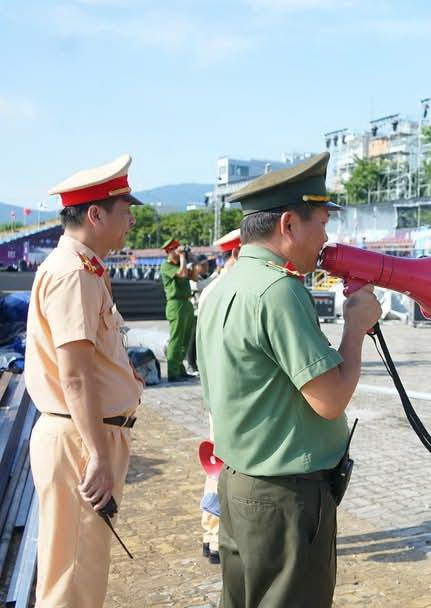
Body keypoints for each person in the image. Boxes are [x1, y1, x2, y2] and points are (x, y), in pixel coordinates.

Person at [197, 152, 383, 606]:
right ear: (289, 224)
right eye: (321, 222)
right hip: (284, 497)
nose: (325, 237)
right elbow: (330, 398)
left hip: (239, 483)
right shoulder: (279, 290)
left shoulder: (225, 284)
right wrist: (355, 329)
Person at [26, 154, 144, 606]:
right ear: (95, 214)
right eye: (125, 213)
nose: (130, 222)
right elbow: (73, 377)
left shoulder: (82, 268)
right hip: (81, 439)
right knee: (73, 578)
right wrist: (96, 453)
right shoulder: (75, 273)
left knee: (80, 568)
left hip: (83, 433)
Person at [196, 228, 240, 565]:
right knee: (221, 467)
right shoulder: (224, 291)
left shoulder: (215, 289)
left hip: (220, 391)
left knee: (220, 464)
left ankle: (213, 534)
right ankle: (214, 535)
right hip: (228, 394)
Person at [160, 237, 197, 381]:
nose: (179, 252)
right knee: (176, 339)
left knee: (185, 339)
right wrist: (182, 257)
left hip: (186, 303)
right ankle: (172, 372)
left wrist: (191, 260)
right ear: (169, 251)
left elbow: (194, 277)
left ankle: (180, 369)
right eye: (176, 250)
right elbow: (182, 274)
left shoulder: (181, 264)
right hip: (175, 304)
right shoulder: (166, 266)